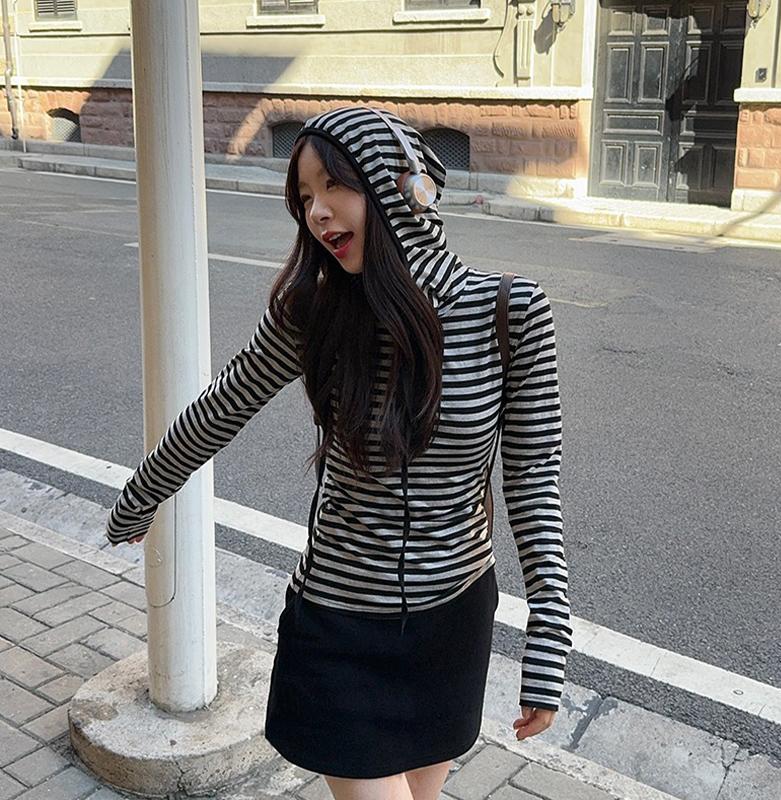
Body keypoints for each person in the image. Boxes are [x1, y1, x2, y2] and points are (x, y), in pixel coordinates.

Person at [106, 105, 573, 800]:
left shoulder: (510, 313)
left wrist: (549, 633)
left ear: (400, 185)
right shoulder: (312, 313)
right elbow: (221, 408)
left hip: (452, 622)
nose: (317, 212)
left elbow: (532, 480)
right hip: (340, 624)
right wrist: (143, 493)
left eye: (334, 186)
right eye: (304, 197)